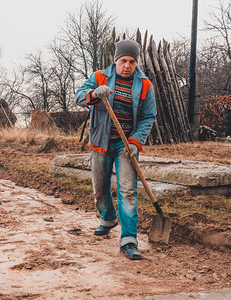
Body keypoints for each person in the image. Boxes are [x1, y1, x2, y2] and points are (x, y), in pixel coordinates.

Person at [74, 40, 157, 260]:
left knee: (128, 191)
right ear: (116, 60)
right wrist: (93, 93)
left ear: (136, 62)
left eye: (132, 61)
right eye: (123, 61)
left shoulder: (145, 85)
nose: (127, 65)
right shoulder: (99, 76)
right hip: (100, 142)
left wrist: (136, 142)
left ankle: (129, 239)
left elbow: (149, 116)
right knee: (100, 188)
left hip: (126, 144)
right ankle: (108, 217)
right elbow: (78, 97)